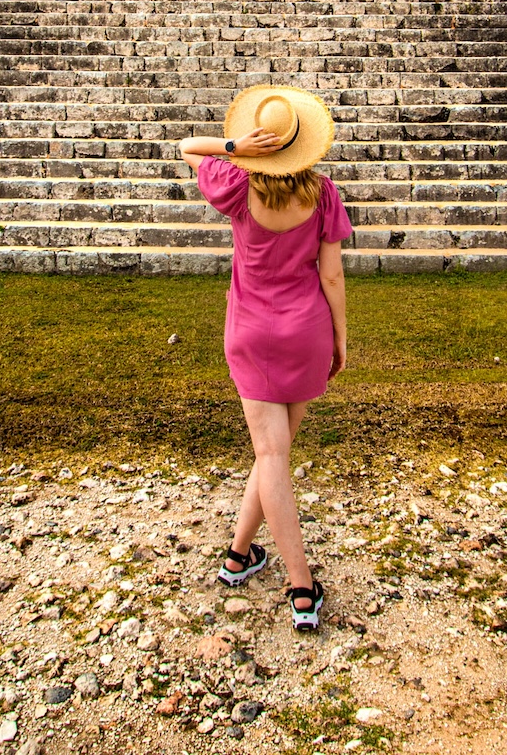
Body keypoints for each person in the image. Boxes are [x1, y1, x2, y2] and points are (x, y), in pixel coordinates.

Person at [178, 84, 352, 632]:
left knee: (269, 454)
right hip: (306, 330)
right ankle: (291, 578)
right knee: (274, 453)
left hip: (251, 330)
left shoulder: (234, 184)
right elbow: (331, 274)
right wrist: (341, 338)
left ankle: (250, 562)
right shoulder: (323, 194)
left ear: (260, 143)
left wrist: (234, 147)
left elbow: (187, 146)